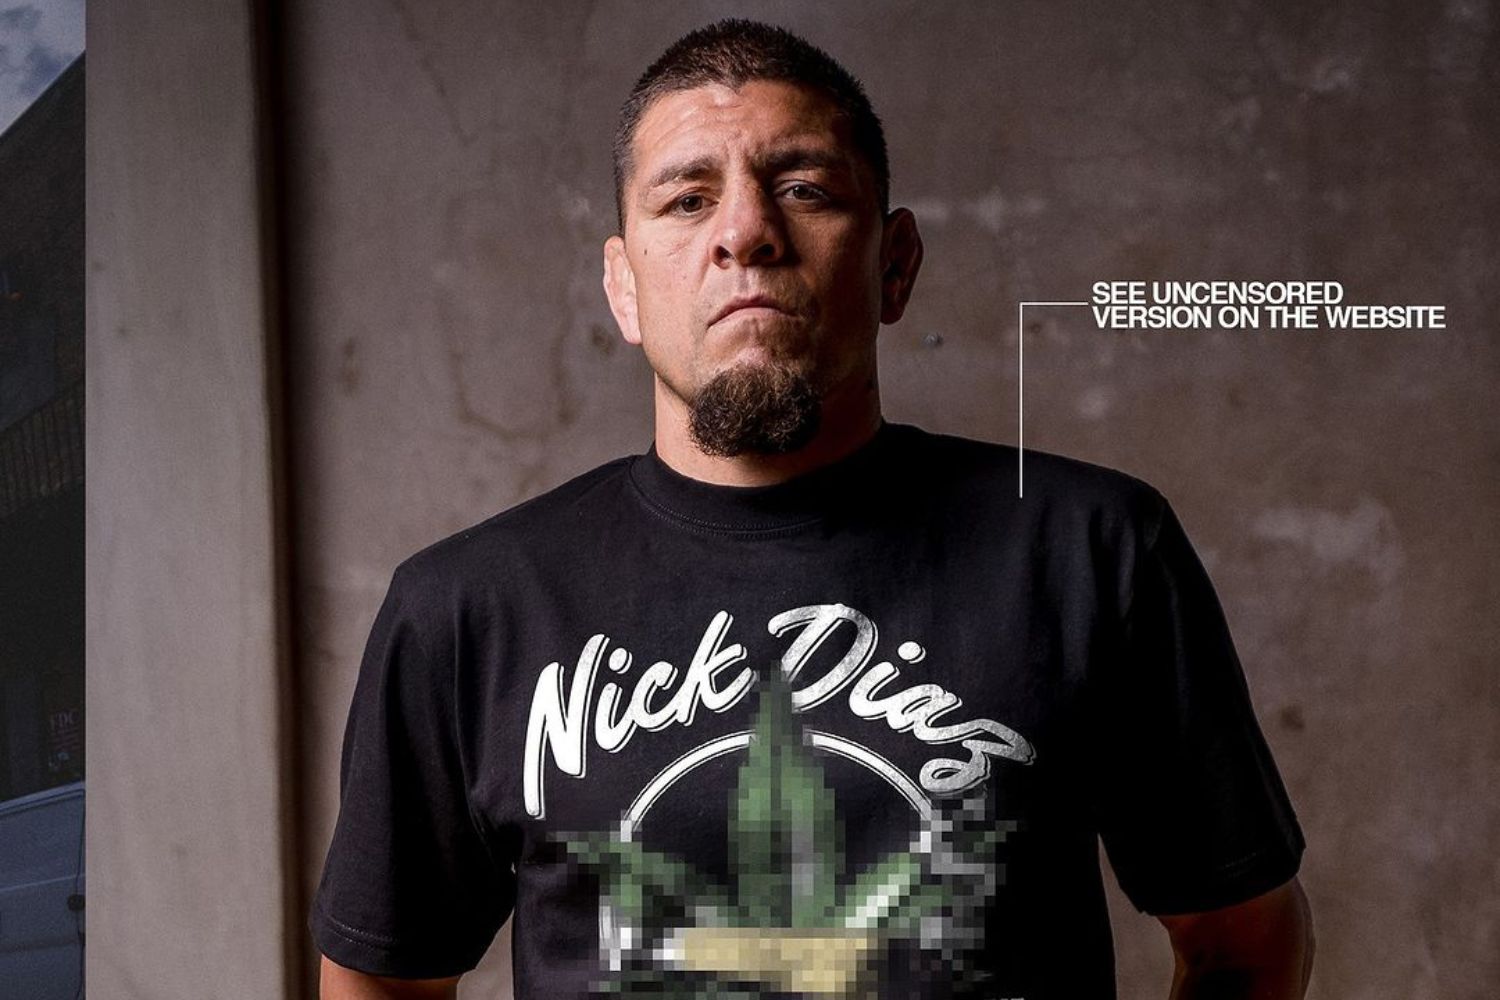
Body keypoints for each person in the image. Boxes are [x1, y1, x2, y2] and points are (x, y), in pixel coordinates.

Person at [312, 19, 1313, 1000]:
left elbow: (1244, 947)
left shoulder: (1090, 551)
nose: (745, 233)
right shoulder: (469, 609)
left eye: (804, 189)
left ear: (895, 263)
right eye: (687, 199)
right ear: (623, 288)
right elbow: (378, 985)